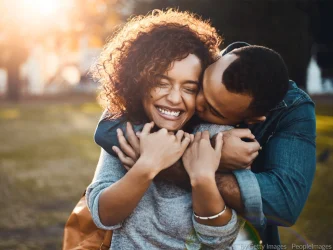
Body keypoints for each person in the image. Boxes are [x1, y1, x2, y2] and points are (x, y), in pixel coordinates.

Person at [95, 41, 316, 246]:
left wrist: (201, 169)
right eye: (199, 87)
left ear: (248, 119)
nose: (194, 103)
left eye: (212, 109)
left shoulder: (247, 136)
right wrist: (197, 153)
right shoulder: (192, 69)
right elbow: (107, 130)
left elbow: (282, 204)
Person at [87, 10, 245, 249]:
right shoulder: (126, 130)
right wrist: (148, 164)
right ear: (138, 81)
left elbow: (221, 239)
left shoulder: (213, 136)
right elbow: (104, 216)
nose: (173, 98)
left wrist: (201, 177)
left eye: (189, 88)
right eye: (161, 83)